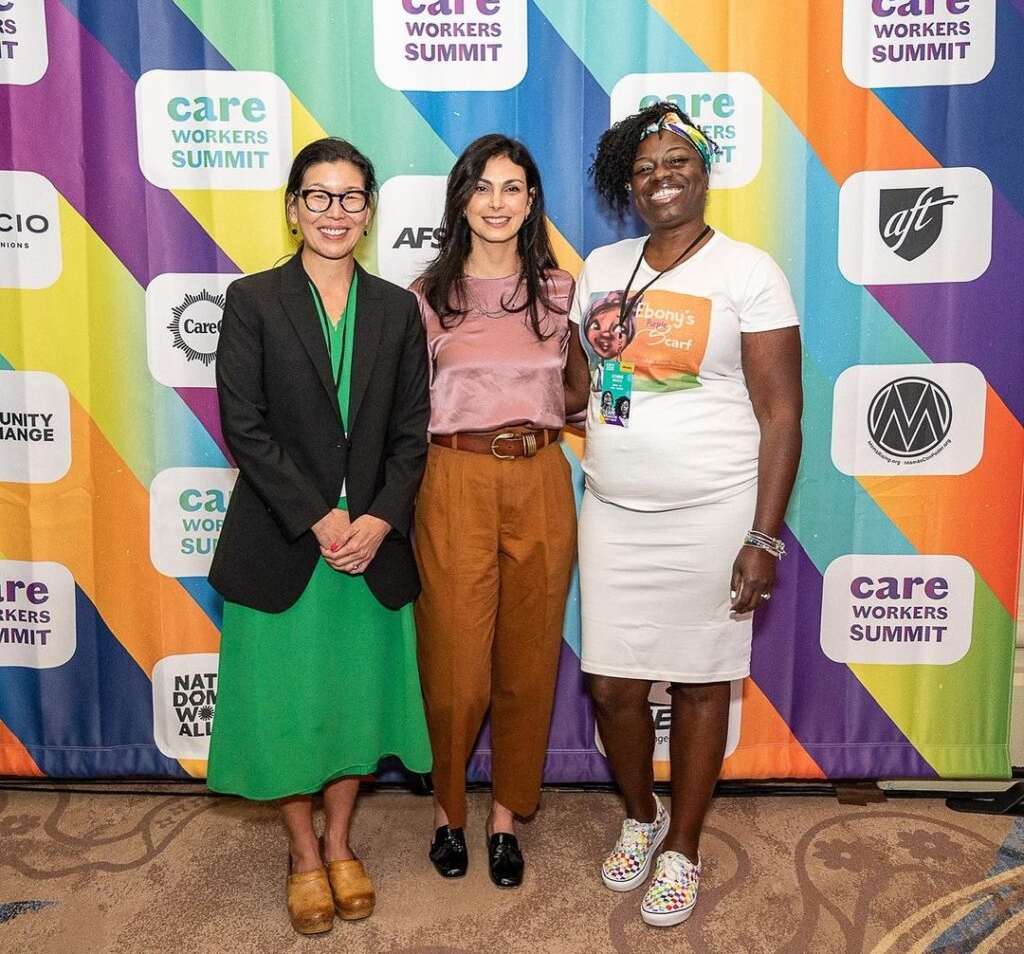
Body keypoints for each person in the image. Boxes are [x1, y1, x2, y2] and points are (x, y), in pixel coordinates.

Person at [567, 103, 802, 927]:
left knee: (704, 684)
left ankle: (684, 848)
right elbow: (577, 383)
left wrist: (762, 537)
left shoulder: (748, 271)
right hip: (614, 509)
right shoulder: (601, 264)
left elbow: (781, 414)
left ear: (703, 172)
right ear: (624, 184)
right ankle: (641, 814)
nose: (661, 178)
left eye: (677, 163)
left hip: (715, 508)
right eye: (644, 169)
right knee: (610, 686)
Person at [206, 138, 432, 935]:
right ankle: (303, 853)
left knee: (351, 706)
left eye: (350, 198)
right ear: (294, 208)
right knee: (288, 709)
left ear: (368, 213)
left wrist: (377, 518)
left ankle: (342, 841)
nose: (335, 212)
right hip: (285, 540)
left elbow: (413, 434)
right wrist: (320, 516)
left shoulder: (399, 309)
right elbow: (246, 427)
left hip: (371, 548)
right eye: (319, 196)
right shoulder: (253, 300)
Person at [411, 134, 585, 888]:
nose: (497, 203)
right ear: (460, 199)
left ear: (532, 201)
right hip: (452, 478)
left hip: (542, 475)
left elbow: (581, 393)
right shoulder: (424, 296)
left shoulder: (563, 293)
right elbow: (400, 405)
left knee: (528, 659)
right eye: (482, 187)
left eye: (513, 188)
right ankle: (449, 811)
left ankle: (507, 814)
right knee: (455, 668)